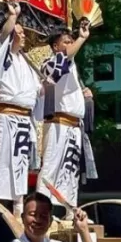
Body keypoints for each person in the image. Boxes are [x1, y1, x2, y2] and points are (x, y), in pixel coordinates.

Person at [0, 0, 43, 218]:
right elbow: (2, 37)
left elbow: (36, 91)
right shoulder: (4, 57)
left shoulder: (25, 62)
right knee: (2, 161)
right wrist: (12, 17)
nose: (24, 35)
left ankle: (19, 211)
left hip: (23, 119)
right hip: (7, 116)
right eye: (19, 31)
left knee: (20, 166)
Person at [38, 23, 96, 214]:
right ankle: (41, 209)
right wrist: (82, 37)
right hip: (58, 124)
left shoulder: (73, 68)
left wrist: (85, 96)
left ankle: (70, 211)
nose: (71, 44)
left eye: (72, 41)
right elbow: (65, 59)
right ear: (56, 46)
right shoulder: (50, 63)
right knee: (51, 168)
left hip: (73, 126)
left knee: (70, 173)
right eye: (66, 41)